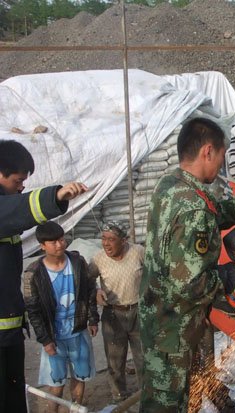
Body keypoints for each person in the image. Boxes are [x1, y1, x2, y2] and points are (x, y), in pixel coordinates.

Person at [139, 117, 235, 412]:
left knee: (158, 398)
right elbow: (190, 283)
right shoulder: (194, 207)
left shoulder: (171, 184)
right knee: (167, 405)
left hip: (156, 316)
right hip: (174, 328)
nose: (221, 166)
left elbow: (206, 214)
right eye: (222, 157)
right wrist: (228, 276)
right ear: (208, 151)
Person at [0, 139, 88, 413]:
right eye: (17, 180)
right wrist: (55, 197)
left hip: (9, 333)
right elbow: (16, 211)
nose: (21, 187)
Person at [23, 221, 99, 413]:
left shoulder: (77, 262)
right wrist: (45, 339)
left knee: (81, 376)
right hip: (54, 337)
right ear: (42, 246)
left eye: (61, 239)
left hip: (78, 332)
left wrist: (92, 318)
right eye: (53, 242)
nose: (60, 245)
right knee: (56, 383)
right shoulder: (33, 273)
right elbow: (33, 310)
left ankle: (76, 408)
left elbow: (89, 291)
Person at [89, 221, 144, 403]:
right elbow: (87, 282)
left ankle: (146, 395)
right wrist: (96, 291)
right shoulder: (98, 259)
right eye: (103, 238)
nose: (106, 243)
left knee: (143, 358)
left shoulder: (137, 252)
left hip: (139, 312)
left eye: (111, 239)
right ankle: (120, 397)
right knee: (115, 361)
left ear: (124, 240)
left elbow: (155, 274)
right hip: (113, 315)